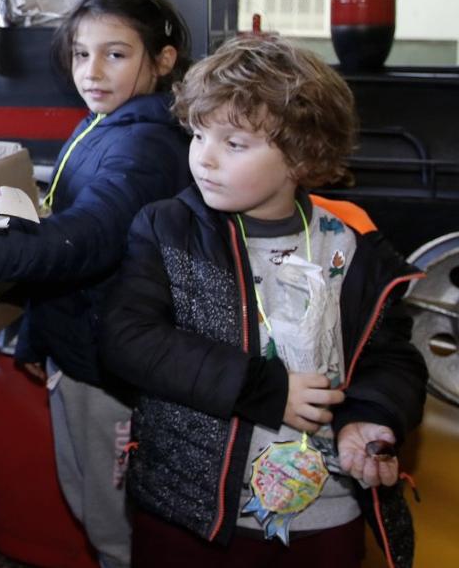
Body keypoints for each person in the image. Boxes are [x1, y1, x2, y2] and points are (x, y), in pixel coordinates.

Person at [100, 34, 426, 568]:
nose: (204, 158)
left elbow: (390, 355)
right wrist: (264, 389)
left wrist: (371, 415)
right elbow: (128, 339)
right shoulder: (166, 228)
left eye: (234, 144)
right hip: (188, 507)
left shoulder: (352, 244)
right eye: (199, 133)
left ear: (302, 155)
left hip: (322, 513)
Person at [0, 0, 194, 568]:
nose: (92, 71)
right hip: (80, 344)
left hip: (110, 367)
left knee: (113, 517)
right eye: (82, 53)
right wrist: (40, 336)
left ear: (162, 60)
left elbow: (92, 234)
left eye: (116, 53)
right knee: (86, 493)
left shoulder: (144, 146)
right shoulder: (105, 124)